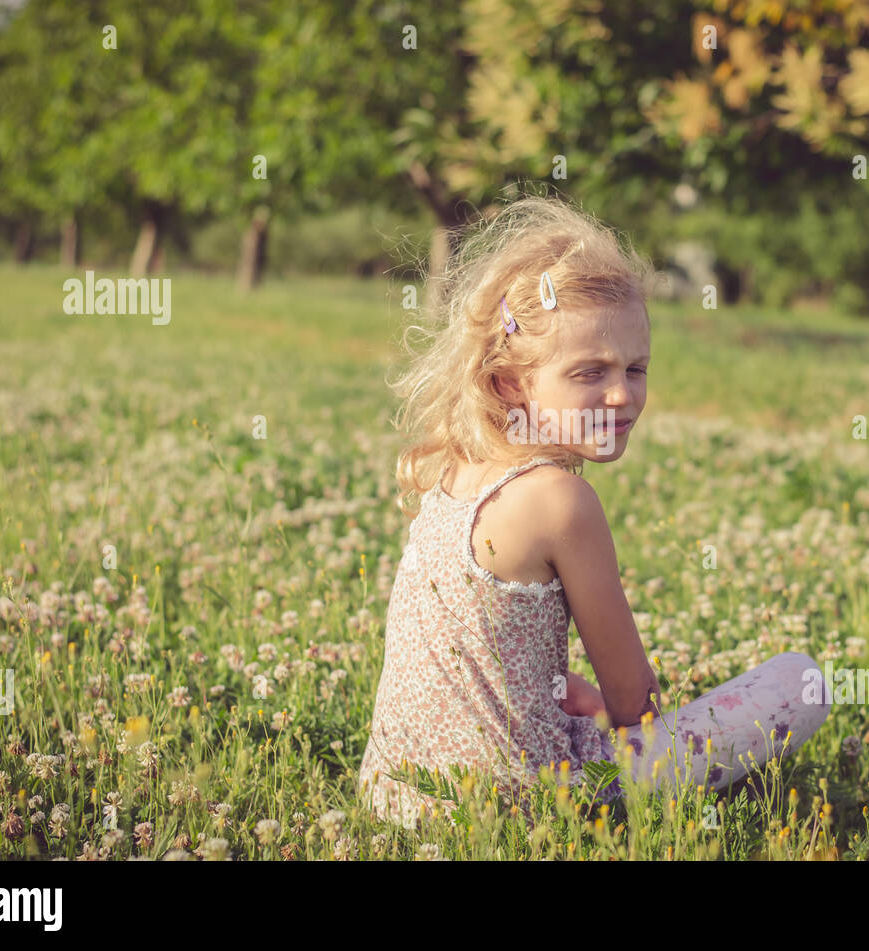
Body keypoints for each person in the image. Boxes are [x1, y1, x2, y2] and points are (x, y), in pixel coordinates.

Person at [356, 195, 831, 830]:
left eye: (636, 369)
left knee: (571, 696)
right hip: (514, 809)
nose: (621, 394)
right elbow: (634, 700)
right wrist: (614, 715)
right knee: (801, 683)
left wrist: (563, 694)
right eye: (590, 372)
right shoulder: (561, 500)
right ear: (509, 383)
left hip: (397, 794)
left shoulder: (455, 469)